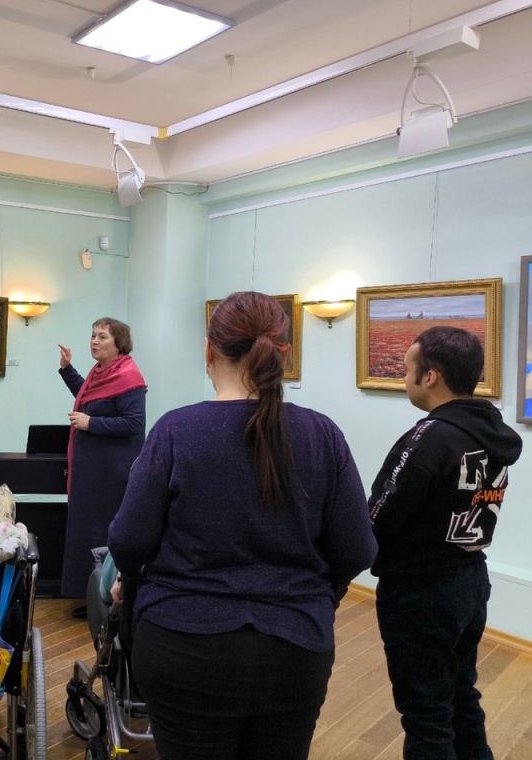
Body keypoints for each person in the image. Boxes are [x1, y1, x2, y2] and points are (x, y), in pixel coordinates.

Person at [108, 291, 377, 760]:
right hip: (295, 648)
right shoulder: (323, 434)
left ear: (208, 351)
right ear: (283, 354)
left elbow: (129, 543)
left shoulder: (176, 430)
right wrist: (312, 596)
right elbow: (357, 549)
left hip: (183, 645)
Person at [368, 326, 522, 760]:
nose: (405, 379)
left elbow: (379, 515)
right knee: (460, 694)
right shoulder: (492, 433)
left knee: (426, 714)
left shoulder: (429, 437)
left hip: (421, 593)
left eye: (407, 370)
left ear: (430, 376)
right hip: (470, 581)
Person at [58, 317, 146, 618]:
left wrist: (91, 423)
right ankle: (91, 595)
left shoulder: (129, 377)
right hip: (91, 473)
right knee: (86, 532)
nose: (94, 341)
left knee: (102, 534)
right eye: (93, 335)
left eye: (102, 336)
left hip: (112, 476)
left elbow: (133, 423)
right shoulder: (100, 373)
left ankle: (107, 598)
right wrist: (67, 369)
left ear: (119, 343)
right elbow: (88, 398)